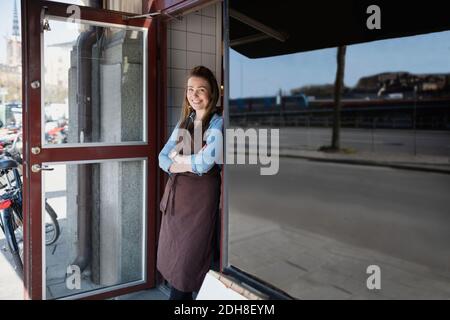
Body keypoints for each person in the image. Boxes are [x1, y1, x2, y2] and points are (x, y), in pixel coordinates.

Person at [157, 66, 223, 300]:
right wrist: (185, 162)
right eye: (190, 89)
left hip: (199, 206)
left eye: (201, 90)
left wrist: (178, 159)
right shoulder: (185, 122)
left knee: (187, 265)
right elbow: (162, 158)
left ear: (212, 93)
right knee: (175, 263)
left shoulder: (218, 124)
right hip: (177, 204)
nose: (194, 95)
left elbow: (205, 164)